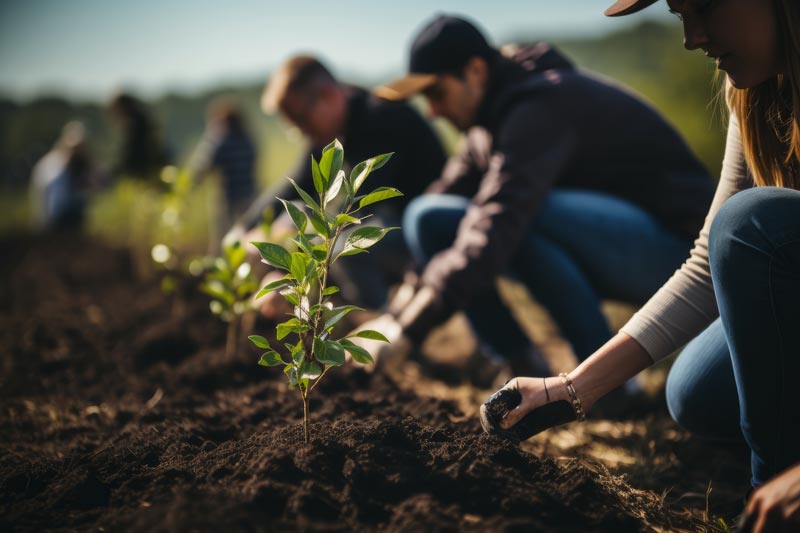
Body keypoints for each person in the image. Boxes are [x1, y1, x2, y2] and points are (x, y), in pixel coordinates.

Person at [488, 1, 800, 530]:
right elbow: (708, 262)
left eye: (703, 6)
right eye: (681, 14)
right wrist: (573, 388)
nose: (691, 37)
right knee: (694, 394)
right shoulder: (751, 95)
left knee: (752, 223)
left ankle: (770, 493)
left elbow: (745, 234)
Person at [358, 14, 714, 380]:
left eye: (436, 92)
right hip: (620, 245)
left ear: (476, 71)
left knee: (520, 215)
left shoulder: (540, 105)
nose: (432, 111)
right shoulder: (487, 126)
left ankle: (611, 383)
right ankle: (518, 363)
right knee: (429, 215)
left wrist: (409, 332)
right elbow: (445, 194)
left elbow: (499, 218)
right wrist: (398, 311)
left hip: (683, 257)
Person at [229, 55, 447, 310]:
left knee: (346, 248)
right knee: (300, 217)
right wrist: (243, 230)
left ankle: (383, 323)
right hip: (397, 229)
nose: (303, 132)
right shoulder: (334, 130)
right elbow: (293, 187)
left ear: (328, 96)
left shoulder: (382, 120)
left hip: (430, 234)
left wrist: (293, 276)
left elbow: (359, 214)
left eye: (302, 121)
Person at [189, 97, 257, 244]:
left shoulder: (221, 142)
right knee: (250, 236)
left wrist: (210, 136)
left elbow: (203, 166)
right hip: (250, 194)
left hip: (228, 199)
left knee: (225, 240)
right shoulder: (247, 140)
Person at [29, 121, 96, 230]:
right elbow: (50, 202)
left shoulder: (79, 167)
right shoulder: (53, 167)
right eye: (75, 148)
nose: (78, 151)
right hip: (54, 223)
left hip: (70, 220)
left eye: (81, 147)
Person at [107, 92, 168, 183]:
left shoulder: (136, 127)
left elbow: (133, 160)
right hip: (152, 173)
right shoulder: (143, 122)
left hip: (145, 177)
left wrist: (112, 174)